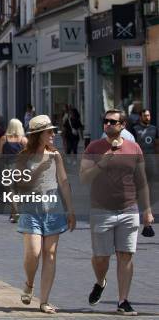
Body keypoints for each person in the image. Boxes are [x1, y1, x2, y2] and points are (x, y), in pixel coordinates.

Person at [80, 109, 154, 315]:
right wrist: (102, 162)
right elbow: (84, 178)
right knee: (101, 258)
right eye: (106, 121)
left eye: (113, 122)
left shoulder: (134, 148)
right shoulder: (94, 147)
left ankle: (123, 300)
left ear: (122, 125)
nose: (108, 124)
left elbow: (142, 182)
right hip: (101, 210)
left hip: (129, 209)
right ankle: (100, 281)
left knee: (126, 255)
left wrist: (147, 210)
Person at [14, 115, 76, 314]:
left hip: (53, 207)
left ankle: (44, 301)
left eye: (53, 131)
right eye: (49, 132)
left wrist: (71, 209)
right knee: (34, 253)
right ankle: (29, 283)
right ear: (39, 135)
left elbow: (64, 182)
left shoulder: (55, 155)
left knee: (50, 254)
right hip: (31, 207)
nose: (53, 135)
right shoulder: (24, 156)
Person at [0, 118, 28, 223]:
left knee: (10, 191)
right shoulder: (23, 140)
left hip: (7, 166)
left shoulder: (3, 139)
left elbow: (0, 155)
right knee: (18, 190)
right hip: (20, 167)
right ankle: (14, 213)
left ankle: (15, 212)